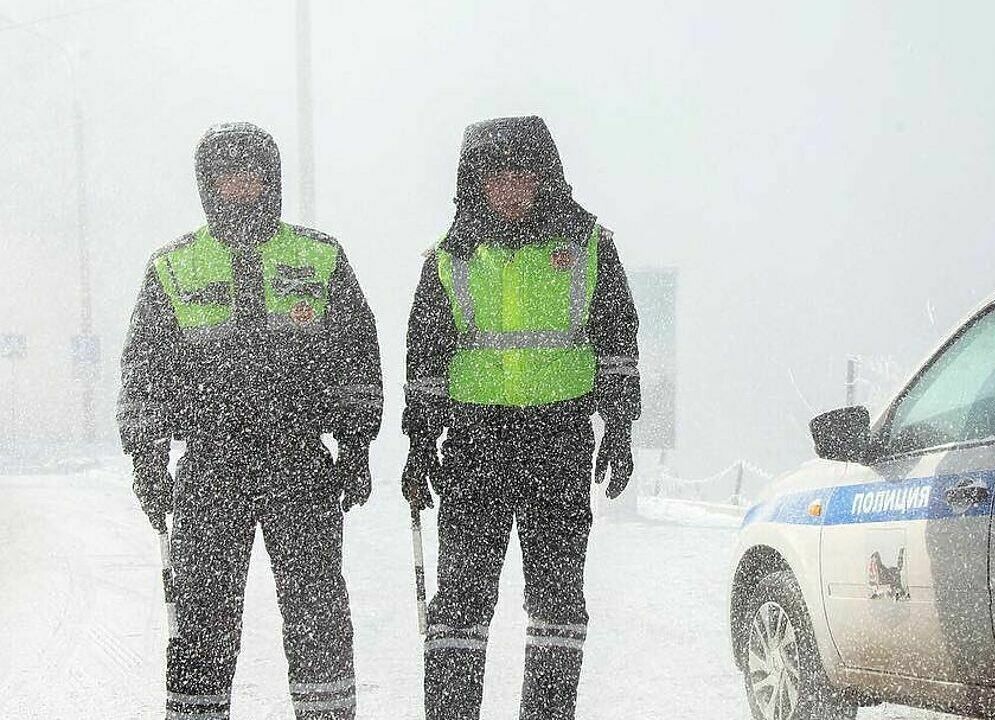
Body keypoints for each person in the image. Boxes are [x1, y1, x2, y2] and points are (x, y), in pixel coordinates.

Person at [117, 122, 382, 720]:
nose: (239, 186)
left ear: (272, 180)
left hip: (300, 462)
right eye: (225, 175)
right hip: (212, 466)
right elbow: (144, 372)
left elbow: (357, 355)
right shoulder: (174, 267)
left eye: (251, 174)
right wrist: (147, 457)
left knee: (318, 618)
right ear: (207, 184)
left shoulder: (319, 257)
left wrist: (356, 443)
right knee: (201, 622)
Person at [401, 115, 641, 720]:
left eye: (521, 174)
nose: (509, 188)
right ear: (474, 182)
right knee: (458, 608)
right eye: (494, 176)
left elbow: (617, 343)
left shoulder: (589, 246)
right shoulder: (449, 258)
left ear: (544, 177)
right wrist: (419, 444)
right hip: (475, 446)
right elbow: (426, 359)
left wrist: (619, 425)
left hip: (558, 441)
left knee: (558, 608)